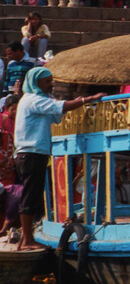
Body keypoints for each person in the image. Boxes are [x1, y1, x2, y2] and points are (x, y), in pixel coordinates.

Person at [13, 67, 102, 247]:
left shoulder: (39, 100)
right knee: (30, 196)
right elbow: (62, 107)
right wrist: (87, 100)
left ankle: (25, 237)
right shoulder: (32, 100)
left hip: (34, 153)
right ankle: (28, 239)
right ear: (36, 83)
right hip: (30, 154)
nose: (51, 84)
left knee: (34, 195)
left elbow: (57, 114)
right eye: (47, 82)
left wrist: (70, 103)